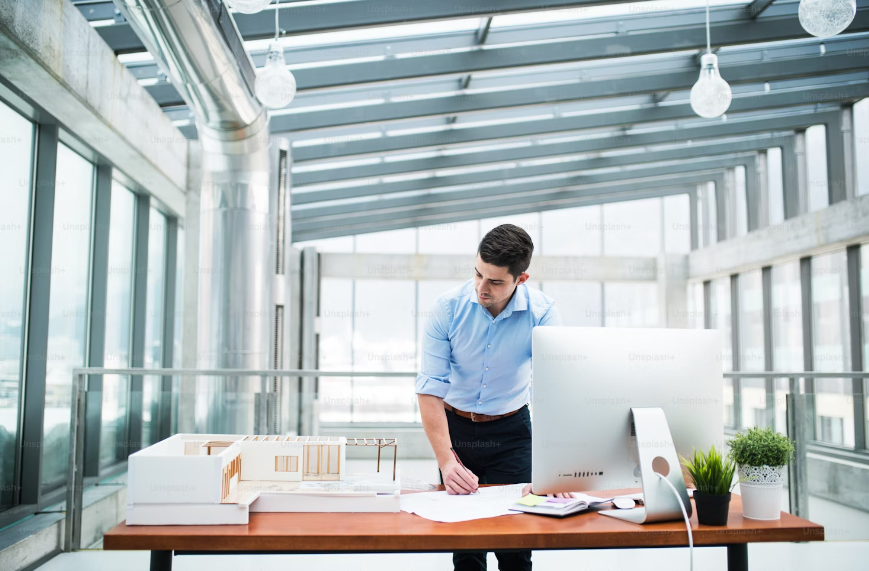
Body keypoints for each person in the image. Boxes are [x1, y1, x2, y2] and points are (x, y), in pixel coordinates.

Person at [415, 223, 564, 571]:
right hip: (457, 431)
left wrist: (556, 467)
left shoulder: (543, 313)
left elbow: (554, 391)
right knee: (466, 546)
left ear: (520, 280)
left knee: (515, 544)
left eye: (495, 281)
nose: (481, 287)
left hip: (512, 432)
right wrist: (447, 460)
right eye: (478, 274)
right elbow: (430, 388)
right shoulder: (447, 309)